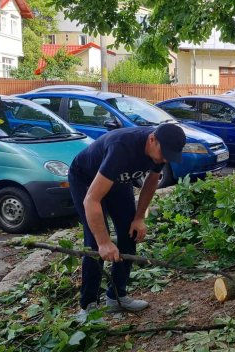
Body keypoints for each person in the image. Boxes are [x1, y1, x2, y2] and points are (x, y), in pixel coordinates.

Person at [69, 123, 186, 320]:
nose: (165, 159)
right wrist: (104, 242)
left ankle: (116, 296)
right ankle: (88, 305)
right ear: (152, 140)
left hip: (118, 181)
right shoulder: (121, 147)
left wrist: (139, 218)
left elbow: (150, 183)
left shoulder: (158, 151)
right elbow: (92, 199)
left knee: (130, 234)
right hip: (86, 181)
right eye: (164, 153)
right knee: (94, 243)